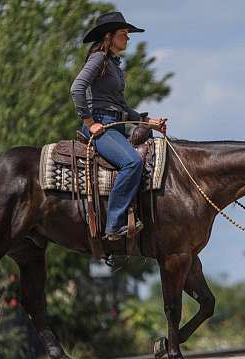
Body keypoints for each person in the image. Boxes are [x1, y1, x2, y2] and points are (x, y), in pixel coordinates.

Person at [70, 11, 167, 241]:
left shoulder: (113, 65)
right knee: (132, 162)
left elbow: (121, 106)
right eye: (123, 34)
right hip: (101, 125)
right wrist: (89, 121)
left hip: (115, 125)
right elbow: (77, 88)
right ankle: (114, 224)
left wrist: (146, 122)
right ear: (108, 36)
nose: (128, 38)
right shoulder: (99, 59)